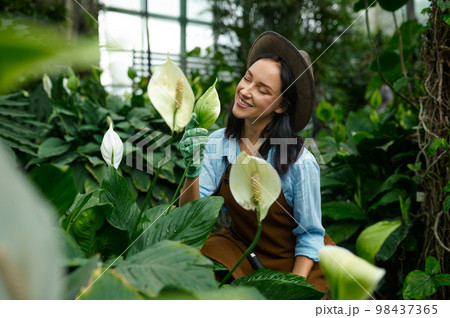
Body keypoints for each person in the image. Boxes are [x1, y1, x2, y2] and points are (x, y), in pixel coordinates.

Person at [179, 31, 333, 292]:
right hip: (243, 250)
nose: (245, 91)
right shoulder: (219, 143)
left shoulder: (300, 162)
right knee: (186, 262)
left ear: (281, 106)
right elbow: (190, 217)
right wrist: (192, 170)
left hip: (295, 262)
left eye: (262, 90)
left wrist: (291, 290)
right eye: (247, 78)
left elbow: (310, 237)